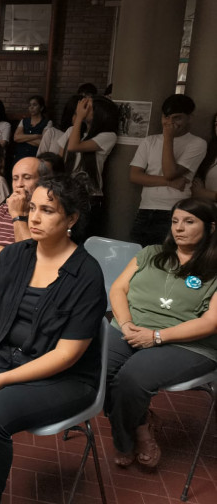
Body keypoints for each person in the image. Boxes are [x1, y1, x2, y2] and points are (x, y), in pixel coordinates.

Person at [0, 175, 106, 504]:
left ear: (71, 219)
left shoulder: (87, 274)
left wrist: (1, 379)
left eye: (47, 211)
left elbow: (67, 355)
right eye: (33, 208)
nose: (34, 218)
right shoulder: (13, 256)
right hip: (5, 356)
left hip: (64, 377)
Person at [106, 199, 217, 469]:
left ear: (211, 227)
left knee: (132, 377)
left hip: (187, 343)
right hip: (131, 328)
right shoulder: (151, 253)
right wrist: (126, 323)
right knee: (94, 368)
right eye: (175, 221)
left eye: (189, 221)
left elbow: (211, 322)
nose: (179, 228)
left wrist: (156, 336)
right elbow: (118, 289)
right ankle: (142, 424)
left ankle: (127, 441)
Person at [0, 156, 52, 311]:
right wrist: (16, 255)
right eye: (15, 179)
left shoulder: (47, 215)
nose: (19, 184)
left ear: (43, 181)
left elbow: (30, 259)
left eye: (27, 177)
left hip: (13, 290)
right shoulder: (2, 209)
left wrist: (17, 215)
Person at [129, 94, 207, 247]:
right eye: (166, 117)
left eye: (177, 118)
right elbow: (134, 176)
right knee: (140, 255)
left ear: (190, 118)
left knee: (167, 257)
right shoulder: (149, 141)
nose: (170, 122)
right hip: (145, 209)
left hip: (175, 211)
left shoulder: (197, 143)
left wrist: (168, 138)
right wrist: (169, 183)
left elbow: (170, 172)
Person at [57, 95, 119, 233]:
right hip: (66, 193)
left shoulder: (108, 136)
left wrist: (79, 117)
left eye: (88, 108)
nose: (83, 109)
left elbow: (74, 146)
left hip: (89, 197)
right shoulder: (71, 131)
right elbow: (60, 160)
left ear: (100, 113)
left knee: (83, 237)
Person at [13, 95, 52, 161]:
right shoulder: (24, 121)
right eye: (30, 105)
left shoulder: (47, 122)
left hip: (36, 157)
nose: (31, 107)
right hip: (20, 156)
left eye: (34, 105)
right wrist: (36, 136)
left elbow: (43, 143)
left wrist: (23, 139)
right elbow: (16, 138)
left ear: (41, 108)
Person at [192, 112, 217, 205]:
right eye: (216, 124)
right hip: (208, 210)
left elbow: (200, 192)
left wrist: (204, 193)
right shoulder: (210, 152)